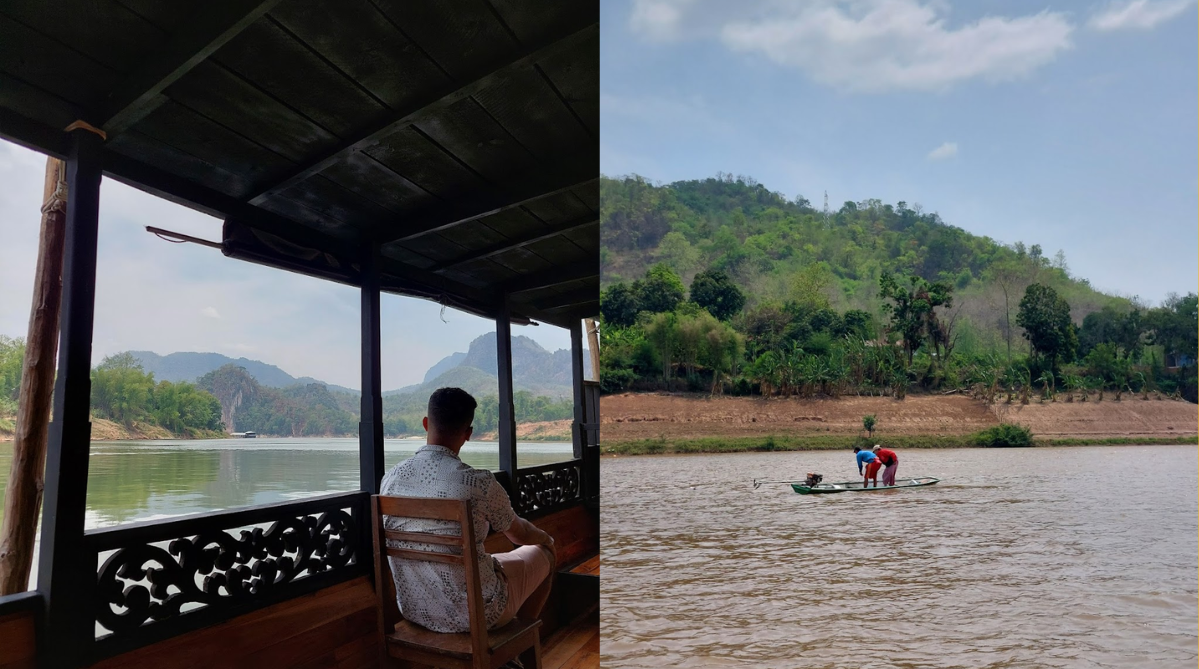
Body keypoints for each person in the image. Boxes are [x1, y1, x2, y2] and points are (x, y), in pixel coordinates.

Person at [380, 387, 557, 634]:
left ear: (425, 423)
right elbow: (520, 535)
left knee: (495, 563)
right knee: (545, 554)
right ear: (469, 433)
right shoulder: (476, 482)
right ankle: (514, 647)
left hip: (414, 610)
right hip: (477, 613)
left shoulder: (391, 479)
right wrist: (546, 539)